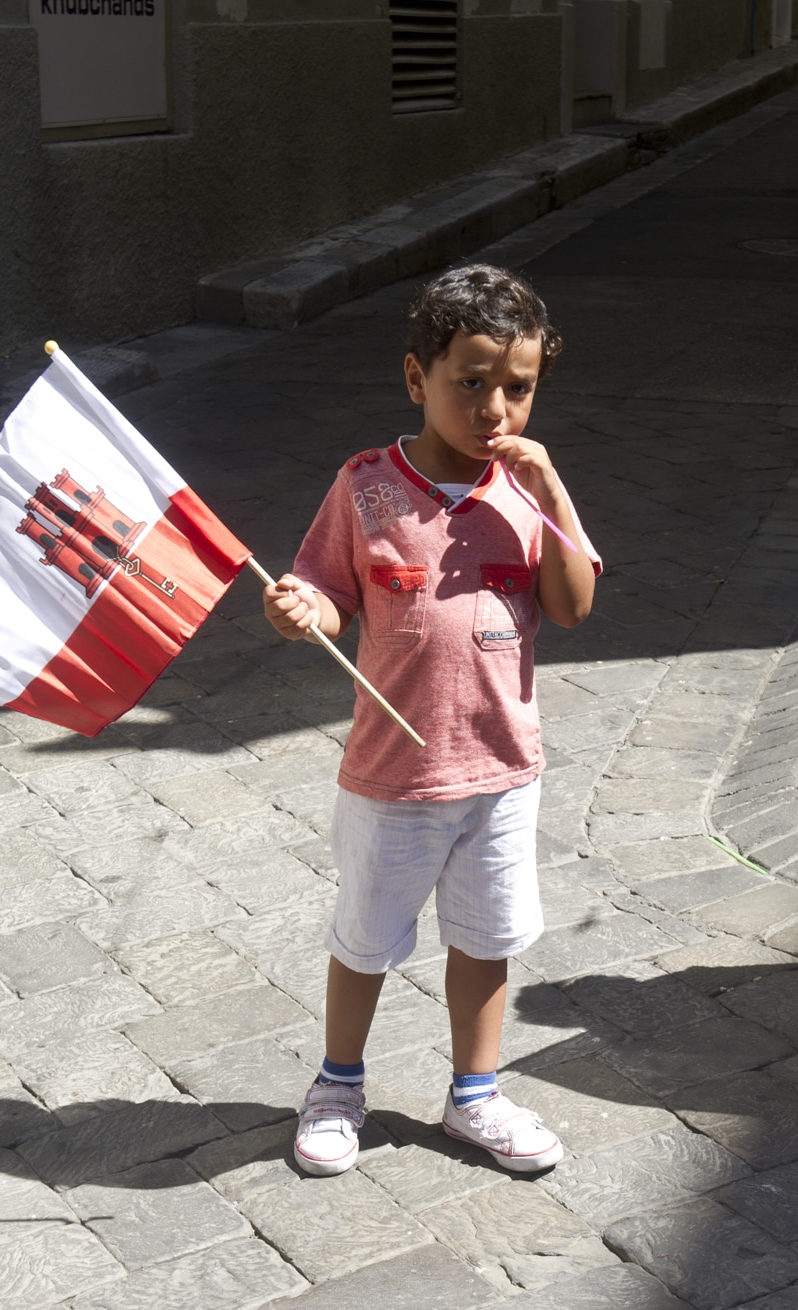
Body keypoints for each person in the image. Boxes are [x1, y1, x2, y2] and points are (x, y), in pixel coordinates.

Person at [262, 264, 599, 1175]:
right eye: (471, 382)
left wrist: (552, 492)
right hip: (393, 774)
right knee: (365, 939)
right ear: (418, 378)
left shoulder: (528, 490)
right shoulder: (367, 486)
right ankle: (337, 1084)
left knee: (487, 941)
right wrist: (302, 608)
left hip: (501, 770)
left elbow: (572, 605)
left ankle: (474, 1093)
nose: (494, 408)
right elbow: (328, 592)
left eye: (518, 388)